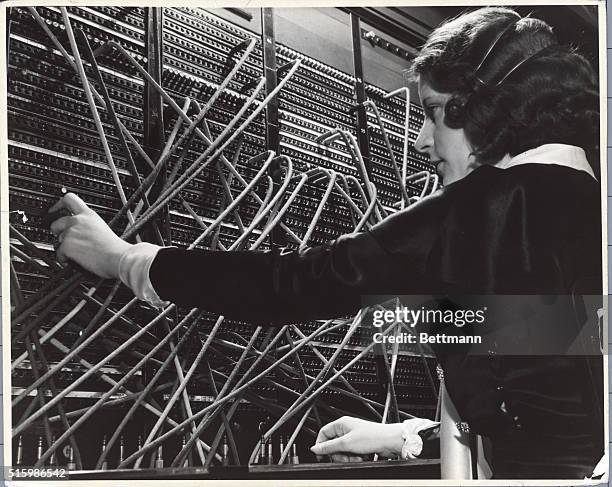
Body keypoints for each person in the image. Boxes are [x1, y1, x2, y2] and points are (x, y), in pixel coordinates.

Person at [47, 7, 603, 479]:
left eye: (435, 113)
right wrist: (406, 436)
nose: (421, 138)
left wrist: (123, 258)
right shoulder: (583, 201)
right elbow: (547, 388)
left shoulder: (482, 210)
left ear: (485, 113)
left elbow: (290, 286)